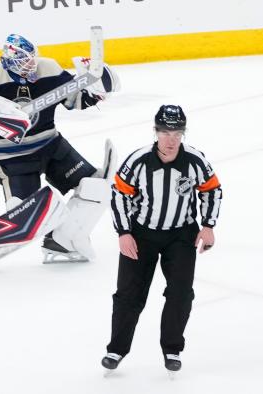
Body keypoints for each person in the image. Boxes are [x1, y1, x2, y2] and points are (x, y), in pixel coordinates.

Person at [0, 33, 119, 274]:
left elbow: (75, 99)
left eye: (31, 60)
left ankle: (63, 241)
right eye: (23, 62)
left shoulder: (48, 68)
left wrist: (95, 90)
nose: (30, 66)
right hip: (11, 158)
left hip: (50, 146)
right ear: (8, 60)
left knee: (96, 186)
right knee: (24, 216)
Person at [102, 105, 222, 375]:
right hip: (142, 234)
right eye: (165, 132)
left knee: (181, 293)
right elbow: (119, 194)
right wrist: (124, 232)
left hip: (181, 236)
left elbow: (211, 190)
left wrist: (208, 226)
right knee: (128, 295)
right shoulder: (138, 160)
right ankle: (116, 350)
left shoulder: (195, 160)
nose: (171, 140)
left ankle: (172, 349)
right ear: (155, 132)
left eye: (177, 133)